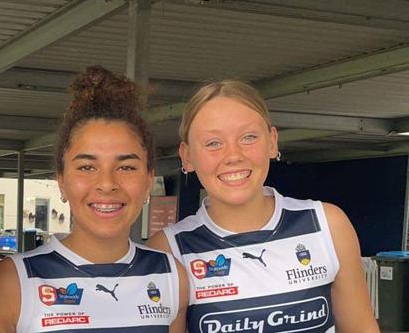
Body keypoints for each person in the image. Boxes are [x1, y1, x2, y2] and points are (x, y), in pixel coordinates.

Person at [147, 80, 379, 332]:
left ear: (272, 141)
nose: (233, 155)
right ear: (187, 156)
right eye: (213, 143)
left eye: (248, 137)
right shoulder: (168, 250)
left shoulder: (327, 224)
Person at [0, 66, 188, 332]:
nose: (106, 184)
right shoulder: (14, 281)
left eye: (126, 167)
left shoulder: (171, 275)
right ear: (61, 180)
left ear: (149, 179)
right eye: (87, 167)